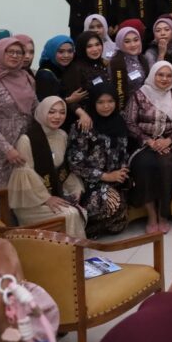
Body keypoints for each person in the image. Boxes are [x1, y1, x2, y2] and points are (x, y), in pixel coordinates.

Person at [124, 61, 172, 234]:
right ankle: (152, 216)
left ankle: (163, 215)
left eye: (169, 76)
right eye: (160, 75)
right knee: (144, 165)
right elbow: (130, 122)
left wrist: (169, 140)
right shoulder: (139, 95)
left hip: (170, 144)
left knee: (167, 165)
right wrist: (148, 141)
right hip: (144, 144)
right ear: (153, 75)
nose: (164, 79)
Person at [0, 37, 38, 216]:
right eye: (10, 52)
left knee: (22, 186)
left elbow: (35, 107)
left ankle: (20, 229)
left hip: (24, 140)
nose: (15, 56)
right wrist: (7, 149)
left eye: (19, 52)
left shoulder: (26, 78)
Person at [7, 96, 86, 238]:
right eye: (52, 112)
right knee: (70, 213)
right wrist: (46, 198)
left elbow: (64, 169)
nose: (57, 116)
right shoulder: (27, 140)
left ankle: (73, 250)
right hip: (32, 200)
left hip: (54, 191)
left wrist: (75, 189)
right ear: (42, 112)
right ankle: (70, 250)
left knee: (78, 207)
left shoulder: (62, 135)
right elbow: (26, 175)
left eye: (62, 112)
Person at [68, 83, 131, 237]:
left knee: (118, 226)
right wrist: (106, 176)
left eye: (110, 101)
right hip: (90, 182)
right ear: (92, 103)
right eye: (100, 102)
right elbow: (75, 162)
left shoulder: (120, 120)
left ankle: (101, 222)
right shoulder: (83, 126)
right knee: (112, 203)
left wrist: (122, 170)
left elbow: (124, 150)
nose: (106, 106)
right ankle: (86, 229)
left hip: (116, 178)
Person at [109, 26, 149, 111]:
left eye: (136, 40)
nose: (133, 45)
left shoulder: (143, 59)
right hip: (125, 109)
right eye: (127, 41)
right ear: (120, 43)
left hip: (144, 107)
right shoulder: (115, 63)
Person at [63, 31, 109, 104]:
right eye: (89, 46)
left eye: (97, 44)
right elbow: (72, 100)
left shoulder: (103, 63)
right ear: (82, 48)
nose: (95, 49)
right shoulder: (75, 69)